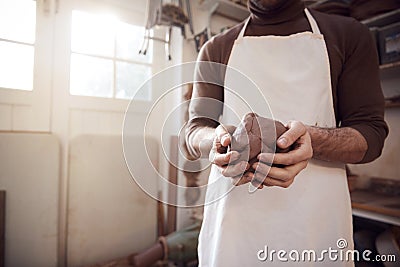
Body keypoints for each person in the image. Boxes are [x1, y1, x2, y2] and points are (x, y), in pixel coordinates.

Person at [185, 0, 388, 266]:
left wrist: (311, 139)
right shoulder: (216, 48)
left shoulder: (348, 35)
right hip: (233, 227)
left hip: (314, 225)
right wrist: (216, 140)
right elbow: (194, 130)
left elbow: (371, 135)